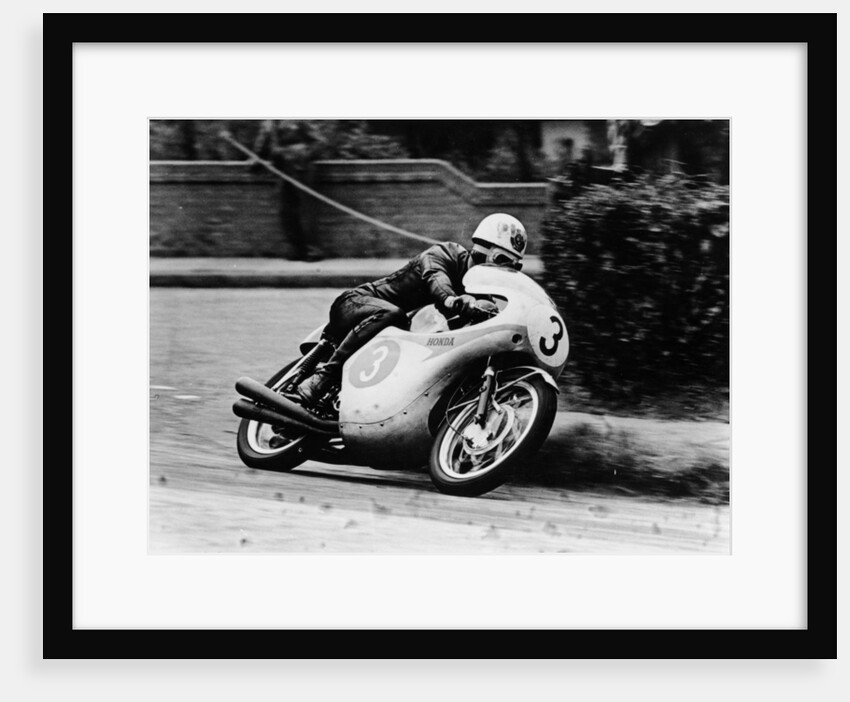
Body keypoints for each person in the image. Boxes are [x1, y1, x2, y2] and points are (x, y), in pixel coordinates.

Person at [291, 213, 529, 407]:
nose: (505, 271)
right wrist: (453, 301)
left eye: (514, 266)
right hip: (357, 304)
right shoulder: (445, 254)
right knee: (393, 314)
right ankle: (324, 377)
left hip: (393, 340)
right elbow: (435, 280)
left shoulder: (478, 296)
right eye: (501, 260)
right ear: (482, 249)